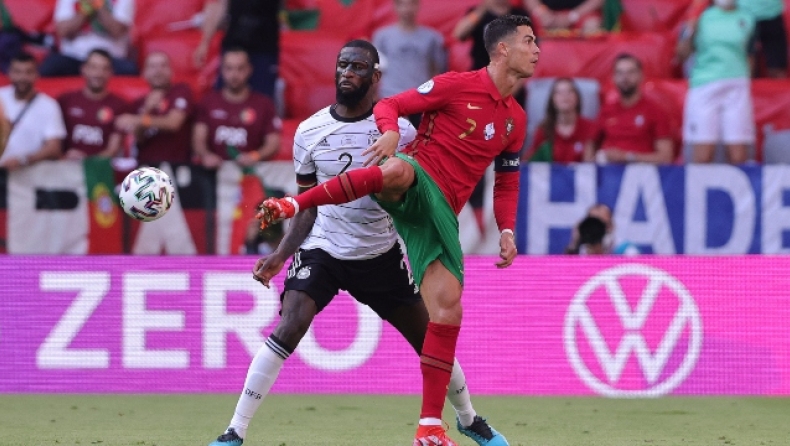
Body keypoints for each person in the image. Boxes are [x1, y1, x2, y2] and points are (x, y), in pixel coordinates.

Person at [209, 39, 508, 446]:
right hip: (324, 249)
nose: (347, 72)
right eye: (342, 64)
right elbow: (308, 205)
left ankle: (469, 419)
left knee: (431, 339)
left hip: (380, 254)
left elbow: (419, 187)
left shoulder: (401, 131)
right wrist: (281, 254)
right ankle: (234, 431)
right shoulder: (309, 132)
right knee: (290, 323)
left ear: (376, 76)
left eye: (358, 66)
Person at [453, 0, 529, 237]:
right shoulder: (478, 14)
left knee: (508, 160)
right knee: (475, 157)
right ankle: (476, 226)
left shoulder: (520, 16)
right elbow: (459, 33)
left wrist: (506, 94)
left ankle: (508, 225)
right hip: (479, 97)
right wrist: (483, 9)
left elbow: (530, 59)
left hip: (511, 97)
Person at [676, 0, 755, 164]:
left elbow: (750, 55)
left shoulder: (748, 18)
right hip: (705, 86)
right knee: (703, 156)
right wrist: (689, 31)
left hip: (737, 87)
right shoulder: (699, 17)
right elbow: (681, 56)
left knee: (738, 156)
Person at [193, 48, 281, 168]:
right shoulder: (208, 102)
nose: (234, 75)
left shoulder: (264, 104)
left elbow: (273, 143)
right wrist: (206, 155)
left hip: (251, 173)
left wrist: (255, 156)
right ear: (221, 70)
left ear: (249, 70)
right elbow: (198, 139)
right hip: (213, 173)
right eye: (229, 68)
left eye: (240, 68)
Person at [372, 0, 447, 128]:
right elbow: (375, 69)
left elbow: (437, 70)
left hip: (421, 100)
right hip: (390, 97)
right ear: (395, 6)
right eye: (402, 4)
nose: (407, 9)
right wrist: (374, 96)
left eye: (411, 4)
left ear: (417, 6)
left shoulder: (432, 37)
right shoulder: (382, 36)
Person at [115, 52, 194, 165]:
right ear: (144, 73)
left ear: (171, 71)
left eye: (163, 65)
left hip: (175, 166)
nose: (158, 71)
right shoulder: (140, 103)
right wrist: (147, 110)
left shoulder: (180, 91)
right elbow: (139, 137)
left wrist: (137, 119)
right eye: (152, 66)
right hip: (145, 166)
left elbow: (173, 123)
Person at [193, 0, 282, 98]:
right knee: (224, 97)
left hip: (264, 48)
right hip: (234, 44)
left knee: (262, 98)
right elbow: (218, 6)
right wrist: (205, 43)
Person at [596, 53, 674, 164]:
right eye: (620, 73)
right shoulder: (606, 110)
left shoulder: (656, 112)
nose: (625, 78)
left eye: (630, 72)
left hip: (641, 171)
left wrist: (628, 157)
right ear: (613, 78)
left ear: (641, 76)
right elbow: (591, 144)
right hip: (608, 171)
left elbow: (666, 157)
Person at [0, 52, 66, 169]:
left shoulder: (49, 105)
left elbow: (54, 147)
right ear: (9, 73)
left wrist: (23, 160)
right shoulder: (1, 97)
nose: (22, 77)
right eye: (17, 72)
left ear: (36, 74)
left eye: (28, 72)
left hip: (28, 172)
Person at [58, 49, 127, 159]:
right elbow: (53, 140)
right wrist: (63, 156)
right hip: (66, 164)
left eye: (104, 69)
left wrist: (87, 162)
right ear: (83, 69)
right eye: (93, 67)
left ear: (111, 72)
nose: (98, 74)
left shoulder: (119, 105)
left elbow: (113, 149)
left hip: (100, 166)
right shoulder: (65, 100)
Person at [41, 0, 137, 77]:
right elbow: (63, 31)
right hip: (74, 57)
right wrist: (85, 9)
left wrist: (98, 4)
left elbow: (117, 30)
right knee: (49, 67)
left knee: (129, 70)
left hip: (110, 60)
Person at [522, 77, 596, 162]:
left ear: (577, 97)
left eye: (570, 91)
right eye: (559, 92)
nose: (565, 96)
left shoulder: (590, 128)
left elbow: (598, 161)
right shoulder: (543, 131)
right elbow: (527, 162)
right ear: (552, 99)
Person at [565, 203, 639, 255]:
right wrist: (574, 243)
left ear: (612, 226)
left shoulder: (626, 251)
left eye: (602, 225)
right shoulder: (581, 251)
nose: (596, 231)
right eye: (593, 225)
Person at [523, 0, 603, 36]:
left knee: (592, 25)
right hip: (546, 14)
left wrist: (573, 16)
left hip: (580, 13)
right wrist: (542, 14)